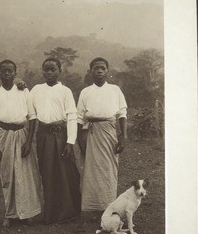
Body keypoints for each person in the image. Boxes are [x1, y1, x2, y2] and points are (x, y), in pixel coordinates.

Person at [23, 58, 81, 225]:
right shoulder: (36, 90)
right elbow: (32, 115)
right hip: (43, 136)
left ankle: (68, 212)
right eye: (46, 69)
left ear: (59, 71)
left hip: (61, 135)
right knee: (47, 173)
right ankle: (51, 214)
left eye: (53, 69)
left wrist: (70, 142)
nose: (49, 73)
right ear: (43, 71)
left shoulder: (65, 91)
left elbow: (71, 116)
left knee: (65, 172)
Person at [0, 59, 42, 228]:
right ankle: (10, 214)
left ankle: (29, 213)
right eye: (4, 71)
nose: (7, 74)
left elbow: (32, 117)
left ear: (15, 73)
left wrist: (29, 142)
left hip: (23, 134)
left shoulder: (24, 91)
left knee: (27, 174)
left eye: (10, 71)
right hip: (4, 135)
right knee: (8, 175)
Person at [77, 57, 128, 215]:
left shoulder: (115, 90)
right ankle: (93, 207)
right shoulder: (86, 92)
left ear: (107, 71)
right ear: (90, 71)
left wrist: (123, 137)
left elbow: (122, 114)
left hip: (109, 132)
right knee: (92, 170)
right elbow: (79, 117)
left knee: (109, 169)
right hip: (91, 133)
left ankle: (109, 207)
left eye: (103, 68)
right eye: (96, 68)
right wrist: (80, 139)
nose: (99, 71)